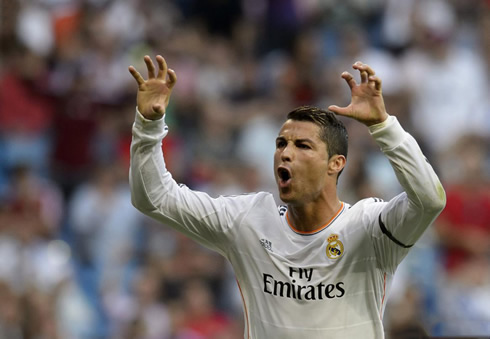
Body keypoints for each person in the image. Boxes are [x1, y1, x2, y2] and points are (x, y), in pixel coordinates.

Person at [128, 55, 446, 338]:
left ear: (335, 164)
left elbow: (429, 200)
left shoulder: (369, 228)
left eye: (302, 146)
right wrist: (149, 124)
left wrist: (383, 126)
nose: (285, 154)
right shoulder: (248, 221)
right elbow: (153, 198)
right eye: (281, 144)